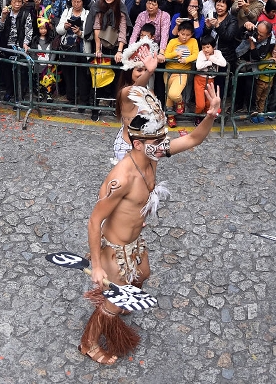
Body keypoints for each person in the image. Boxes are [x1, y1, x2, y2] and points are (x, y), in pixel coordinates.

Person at [81, 81, 222, 365]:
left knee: (143, 274)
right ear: (137, 143)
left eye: (162, 140)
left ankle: (122, 300)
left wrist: (210, 116)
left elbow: (193, 139)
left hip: (135, 242)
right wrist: (97, 265)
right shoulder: (122, 178)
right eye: (157, 142)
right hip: (114, 249)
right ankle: (89, 342)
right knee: (112, 304)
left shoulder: (153, 154)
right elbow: (95, 219)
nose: (163, 147)